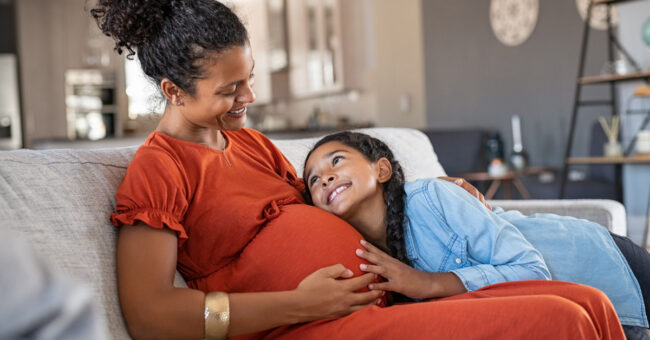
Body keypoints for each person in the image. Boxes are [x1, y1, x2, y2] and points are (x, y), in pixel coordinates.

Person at [93, 0, 625, 339]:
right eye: (230, 90)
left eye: (249, 79)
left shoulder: (250, 144)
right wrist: (298, 304)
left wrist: (422, 194)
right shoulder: (160, 169)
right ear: (172, 91)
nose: (248, 97)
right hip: (310, 326)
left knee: (589, 303)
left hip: (384, 303)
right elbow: (149, 315)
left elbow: (334, 203)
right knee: (561, 322)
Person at [303, 131, 650, 338]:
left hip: (601, 268)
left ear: (381, 169)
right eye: (314, 180)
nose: (326, 179)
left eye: (336, 161)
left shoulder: (433, 198)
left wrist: (428, 283)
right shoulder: (366, 253)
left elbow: (530, 268)